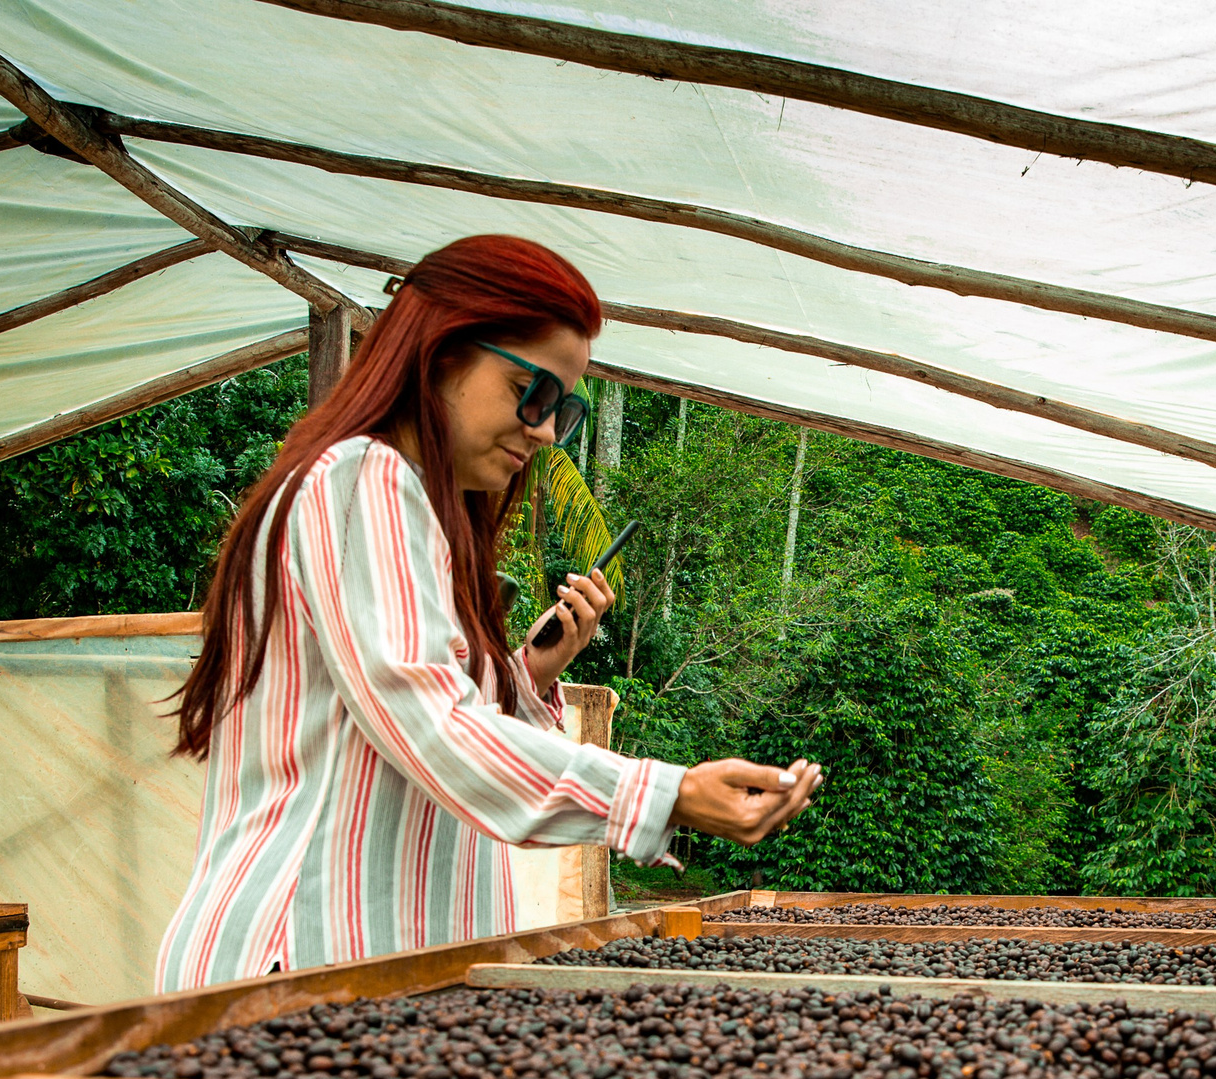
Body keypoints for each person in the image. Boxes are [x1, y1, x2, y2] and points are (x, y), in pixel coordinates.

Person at [156, 235, 821, 990]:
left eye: (563, 408)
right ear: (441, 355)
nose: (544, 430)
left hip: (375, 968)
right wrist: (667, 793)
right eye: (528, 391)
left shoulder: (423, 505)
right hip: (304, 960)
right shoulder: (364, 478)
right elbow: (430, 725)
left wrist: (529, 670)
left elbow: (401, 713)